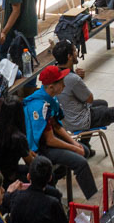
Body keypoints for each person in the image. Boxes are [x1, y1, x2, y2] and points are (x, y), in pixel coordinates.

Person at [49, 41, 114, 151]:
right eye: (74, 51)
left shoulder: (54, 73)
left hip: (65, 118)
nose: (76, 53)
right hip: (79, 121)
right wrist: (79, 80)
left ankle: (85, 145)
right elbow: (89, 99)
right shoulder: (73, 79)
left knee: (102, 103)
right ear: (69, 56)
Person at [24, 66, 96, 199]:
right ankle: (94, 200)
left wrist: (74, 142)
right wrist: (73, 147)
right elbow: (49, 140)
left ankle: (55, 178)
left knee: (84, 150)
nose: (64, 84)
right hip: (42, 148)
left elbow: (56, 126)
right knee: (81, 162)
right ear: (51, 87)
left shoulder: (51, 98)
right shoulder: (40, 106)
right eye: (61, 82)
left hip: (51, 140)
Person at [5, 156, 66, 223]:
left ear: (28, 177)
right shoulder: (52, 203)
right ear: (50, 178)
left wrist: (9, 193)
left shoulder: (14, 197)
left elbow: (4, 202)